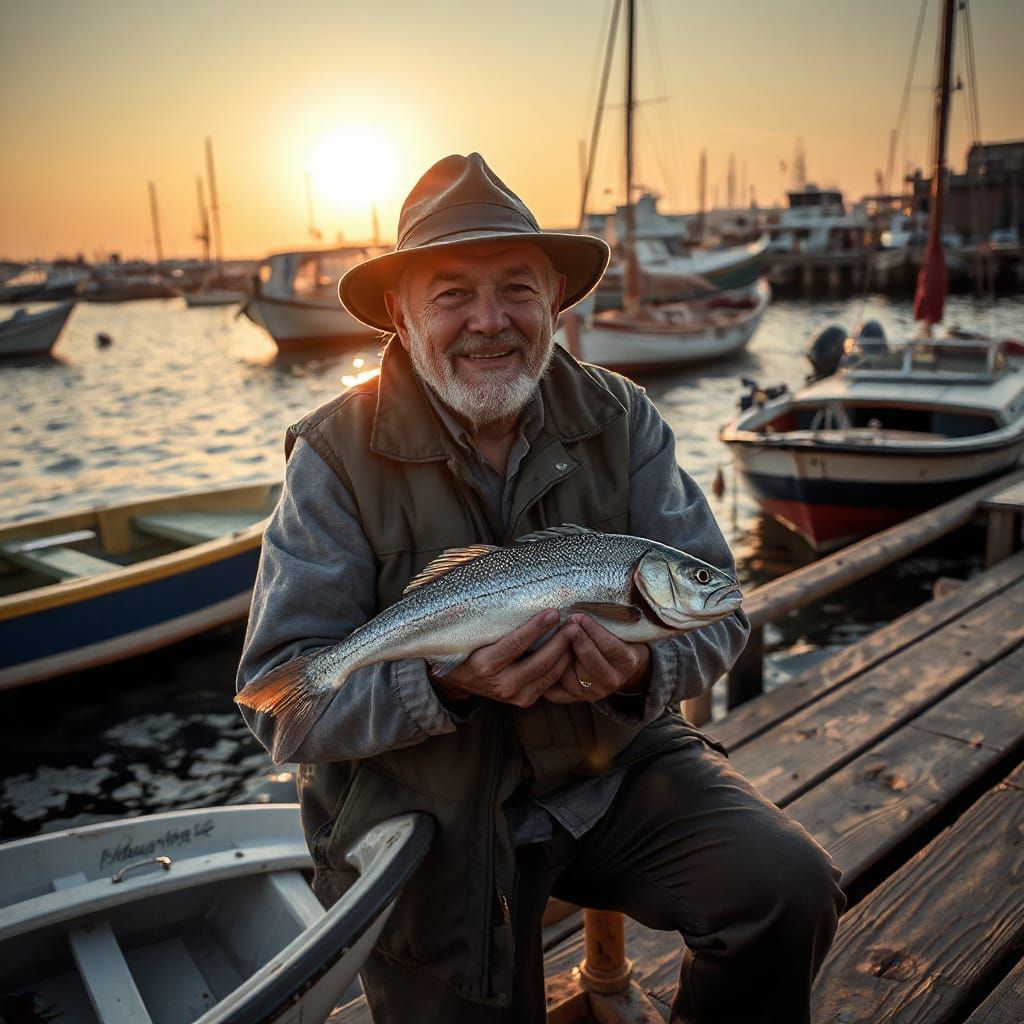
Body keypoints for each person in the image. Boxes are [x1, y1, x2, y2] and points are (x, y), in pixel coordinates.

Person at [237, 153, 844, 1023]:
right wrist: (442, 681)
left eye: (517, 290)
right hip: (421, 810)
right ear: (402, 319)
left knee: (784, 887)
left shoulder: (622, 415)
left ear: (555, 303)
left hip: (612, 773)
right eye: (451, 294)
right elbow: (281, 705)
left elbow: (720, 616)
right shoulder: (333, 456)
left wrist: (635, 675)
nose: (490, 322)